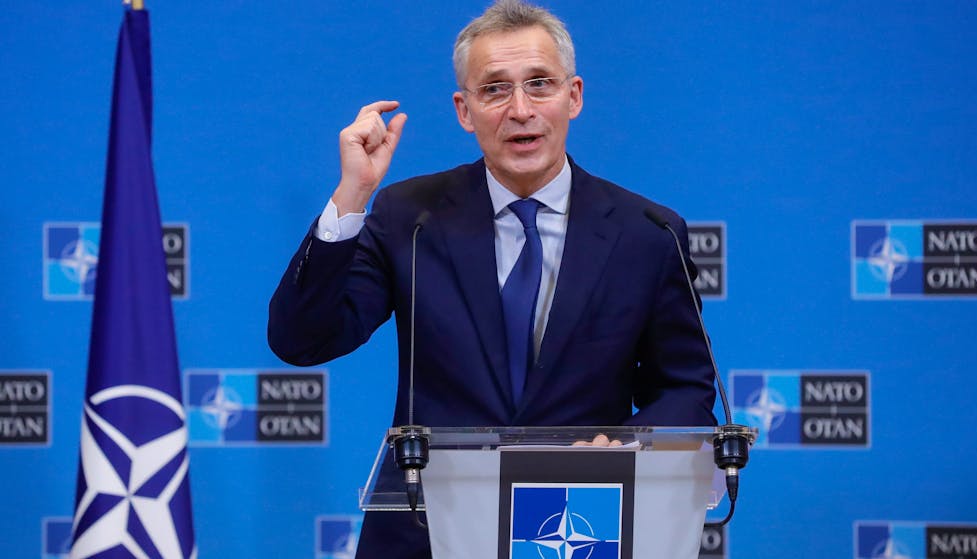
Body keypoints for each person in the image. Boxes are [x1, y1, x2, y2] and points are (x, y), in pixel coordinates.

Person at [268, 1, 716, 556]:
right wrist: (352, 195)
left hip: (581, 526)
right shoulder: (410, 217)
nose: (520, 109)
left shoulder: (648, 232)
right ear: (465, 109)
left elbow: (686, 387)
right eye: (495, 89)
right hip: (427, 531)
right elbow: (301, 341)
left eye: (540, 84)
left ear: (573, 96)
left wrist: (620, 446)